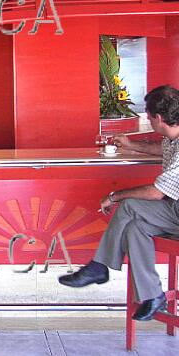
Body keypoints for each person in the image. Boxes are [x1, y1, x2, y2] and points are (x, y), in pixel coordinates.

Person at [59, 85, 179, 321]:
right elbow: (161, 150)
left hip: (175, 210)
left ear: (159, 118)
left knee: (129, 205)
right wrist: (132, 145)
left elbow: (157, 193)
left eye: (149, 116)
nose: (148, 121)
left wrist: (114, 196)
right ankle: (152, 295)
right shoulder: (172, 137)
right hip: (174, 210)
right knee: (135, 228)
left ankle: (100, 266)